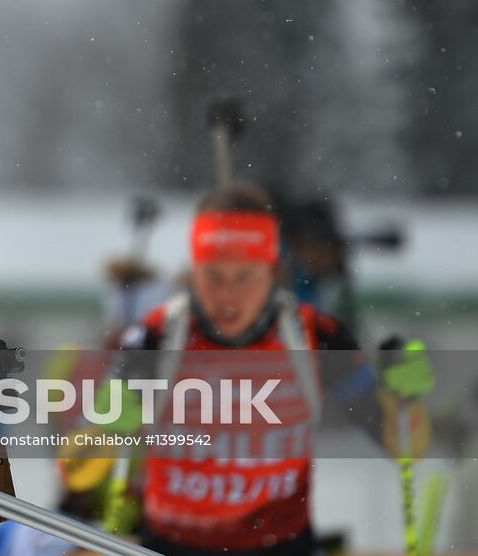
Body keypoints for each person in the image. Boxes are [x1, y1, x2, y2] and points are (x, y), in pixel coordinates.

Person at [62, 183, 433, 556]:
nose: (228, 295)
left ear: (272, 271)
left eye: (245, 277)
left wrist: (405, 401)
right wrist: (108, 431)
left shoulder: (317, 336)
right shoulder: (157, 336)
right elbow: (78, 468)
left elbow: (403, 444)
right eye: (213, 276)